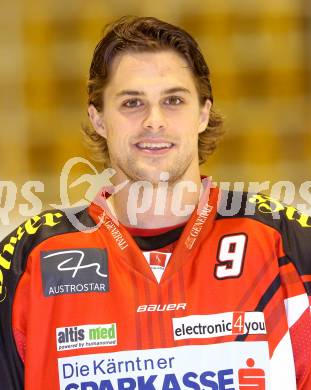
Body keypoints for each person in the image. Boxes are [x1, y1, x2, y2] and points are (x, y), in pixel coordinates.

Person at [0, 15, 310, 390]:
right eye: (132, 102)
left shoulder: (285, 242)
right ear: (98, 118)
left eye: (174, 100)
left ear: (203, 113)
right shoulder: (29, 258)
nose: (154, 121)